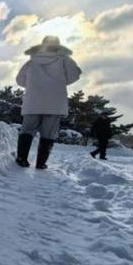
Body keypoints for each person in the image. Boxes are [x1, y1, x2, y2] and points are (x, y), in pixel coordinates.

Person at [15, 36, 82, 169]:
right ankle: (41, 163)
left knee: (27, 130)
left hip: (33, 102)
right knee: (48, 133)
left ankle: (22, 159)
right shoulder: (64, 59)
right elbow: (75, 75)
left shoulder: (32, 61)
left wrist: (33, 86)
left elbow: (19, 80)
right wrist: (59, 82)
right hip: (55, 103)